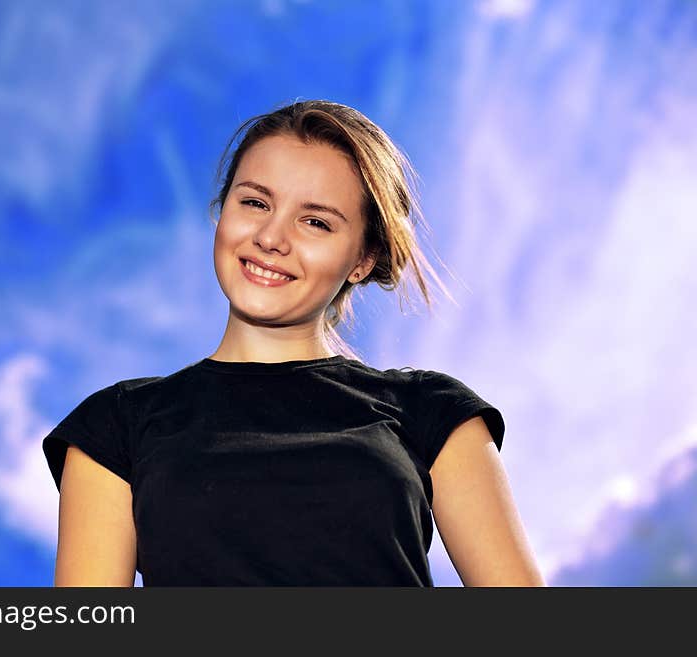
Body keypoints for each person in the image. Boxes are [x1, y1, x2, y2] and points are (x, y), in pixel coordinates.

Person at [42, 99, 546, 587]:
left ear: (362, 259)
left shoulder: (431, 411)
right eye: (255, 202)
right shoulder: (117, 425)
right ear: (221, 213)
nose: (271, 237)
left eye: (316, 222)